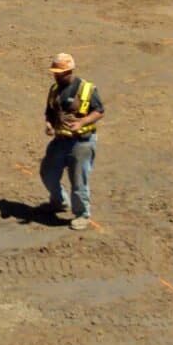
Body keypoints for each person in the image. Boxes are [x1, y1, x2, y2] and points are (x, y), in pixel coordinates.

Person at [39, 53, 106, 230]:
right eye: (55, 73)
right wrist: (48, 124)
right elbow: (50, 112)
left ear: (70, 71)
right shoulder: (54, 89)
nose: (56, 76)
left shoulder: (87, 89)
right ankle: (60, 202)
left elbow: (99, 110)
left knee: (78, 181)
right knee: (47, 173)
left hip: (81, 143)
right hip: (60, 140)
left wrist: (82, 122)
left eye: (60, 73)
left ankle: (82, 214)